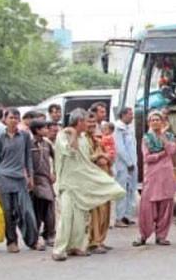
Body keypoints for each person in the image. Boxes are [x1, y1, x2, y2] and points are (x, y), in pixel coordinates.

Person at [51, 109, 125, 261]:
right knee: (66, 217)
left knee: (80, 218)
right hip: (67, 184)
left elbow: (86, 159)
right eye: (86, 121)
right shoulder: (63, 135)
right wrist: (72, 134)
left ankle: (76, 246)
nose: (89, 125)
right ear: (79, 122)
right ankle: (59, 250)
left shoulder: (84, 138)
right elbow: (70, 151)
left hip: (82, 183)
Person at [0, 108, 45, 253]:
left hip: (20, 178)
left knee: (26, 211)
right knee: (8, 212)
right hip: (3, 177)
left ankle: (33, 241)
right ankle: (11, 242)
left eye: (16, 118)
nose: (14, 120)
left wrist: (30, 176)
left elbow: (28, 157)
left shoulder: (24, 136)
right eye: (11, 118)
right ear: (5, 119)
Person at [133, 111, 176, 247]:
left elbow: (171, 150)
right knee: (147, 206)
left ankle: (161, 236)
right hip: (152, 175)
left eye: (158, 119)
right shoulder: (146, 138)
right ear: (149, 123)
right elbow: (147, 158)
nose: (155, 122)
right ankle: (143, 235)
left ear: (163, 122)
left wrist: (163, 137)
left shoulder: (169, 136)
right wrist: (161, 154)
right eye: (152, 120)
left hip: (166, 175)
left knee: (166, 205)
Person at [85, 113, 114, 254]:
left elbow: (109, 156)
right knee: (95, 212)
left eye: (93, 122)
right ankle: (93, 241)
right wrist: (101, 155)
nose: (91, 125)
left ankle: (101, 239)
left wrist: (106, 158)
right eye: (89, 122)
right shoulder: (82, 140)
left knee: (105, 210)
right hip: (92, 180)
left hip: (104, 178)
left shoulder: (97, 139)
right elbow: (86, 159)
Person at [29, 120, 56, 247]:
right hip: (34, 180)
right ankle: (36, 236)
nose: (47, 130)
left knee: (49, 207)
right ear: (37, 130)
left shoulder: (47, 144)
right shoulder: (29, 144)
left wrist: (54, 172)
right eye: (44, 128)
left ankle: (49, 233)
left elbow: (56, 158)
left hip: (46, 180)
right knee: (37, 208)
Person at [114, 107, 138, 228]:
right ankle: (119, 217)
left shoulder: (128, 128)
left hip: (132, 164)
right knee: (121, 190)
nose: (132, 116)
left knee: (131, 190)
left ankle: (126, 216)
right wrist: (129, 163)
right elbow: (120, 148)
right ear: (123, 115)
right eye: (130, 114)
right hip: (123, 165)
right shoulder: (118, 128)